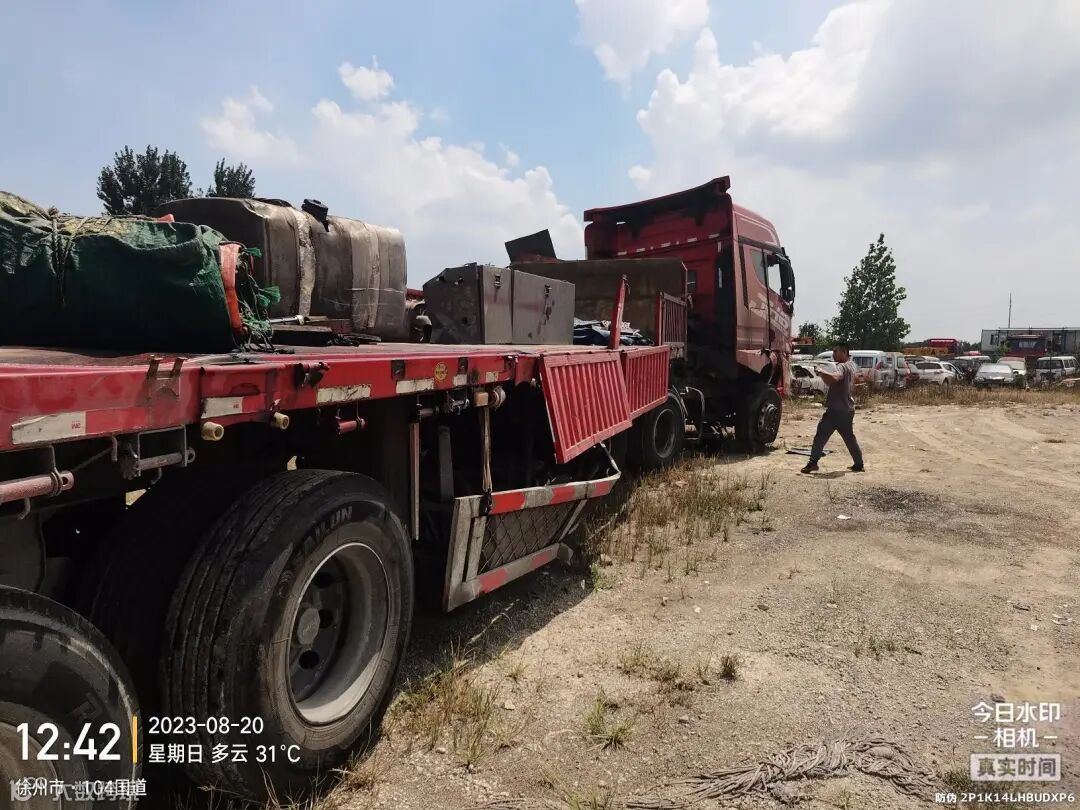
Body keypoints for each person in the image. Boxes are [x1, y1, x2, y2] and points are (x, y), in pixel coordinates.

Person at [801, 342, 864, 473]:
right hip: (847, 410)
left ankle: (813, 463)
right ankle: (859, 464)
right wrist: (823, 374)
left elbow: (835, 378)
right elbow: (835, 381)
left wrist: (821, 371)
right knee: (849, 438)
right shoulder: (851, 365)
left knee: (821, 435)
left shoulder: (841, 366)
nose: (833, 354)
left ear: (844, 352)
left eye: (836, 351)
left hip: (836, 411)